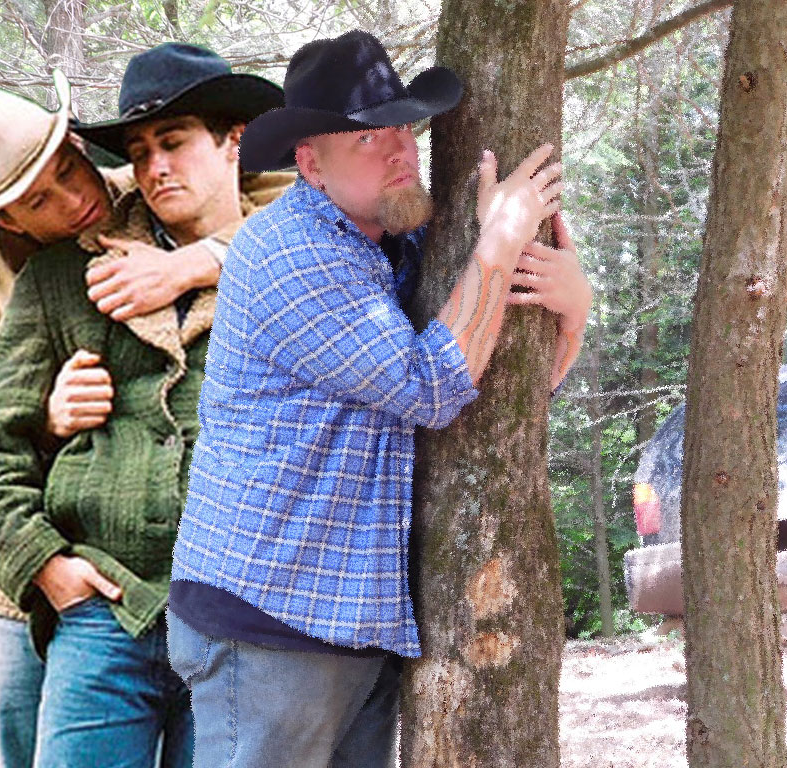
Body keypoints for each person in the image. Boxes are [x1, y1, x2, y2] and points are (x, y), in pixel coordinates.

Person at [167, 30, 591, 768]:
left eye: (403, 128)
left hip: (352, 619)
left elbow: (504, 400)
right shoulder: (292, 250)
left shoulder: (395, 243)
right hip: (270, 617)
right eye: (366, 138)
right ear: (311, 164)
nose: (399, 149)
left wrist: (574, 309)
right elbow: (432, 385)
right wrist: (499, 241)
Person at [0, 65, 287, 768]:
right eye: (41, 199)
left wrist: (198, 262)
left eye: (71, 170)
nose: (75, 200)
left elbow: (312, 216)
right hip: (54, 586)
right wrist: (49, 435)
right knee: (29, 743)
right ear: (8, 218)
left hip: (220, 596)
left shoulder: (153, 183)